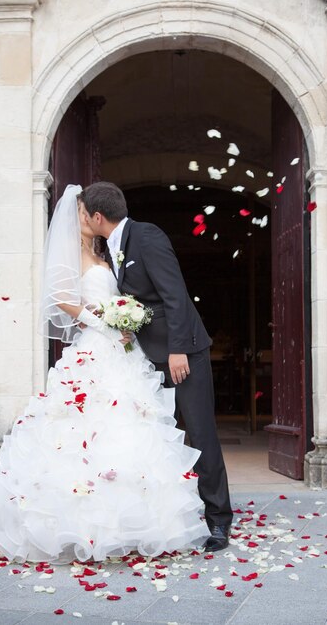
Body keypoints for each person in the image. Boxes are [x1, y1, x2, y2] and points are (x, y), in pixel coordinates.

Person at [0, 185, 207, 564]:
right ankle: (85, 524)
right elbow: (61, 299)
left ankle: (131, 522)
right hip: (96, 346)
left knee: (130, 426)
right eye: (80, 211)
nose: (83, 215)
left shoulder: (108, 252)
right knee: (86, 429)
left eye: (85, 210)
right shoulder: (69, 254)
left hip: (122, 351)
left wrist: (124, 322)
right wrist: (105, 321)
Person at [78, 181, 233, 552]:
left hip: (183, 354)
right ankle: (180, 513)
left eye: (84, 213)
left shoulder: (146, 236)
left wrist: (179, 349)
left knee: (199, 431)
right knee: (160, 434)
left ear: (98, 217)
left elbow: (174, 293)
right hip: (145, 355)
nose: (81, 218)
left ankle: (219, 522)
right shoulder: (110, 247)